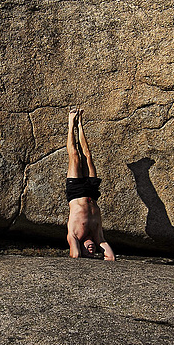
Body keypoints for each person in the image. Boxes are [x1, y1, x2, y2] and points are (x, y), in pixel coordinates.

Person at [65, 108, 116, 260]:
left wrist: (81, 253)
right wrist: (97, 252)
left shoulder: (74, 235)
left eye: (88, 252)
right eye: (93, 253)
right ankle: (80, 124)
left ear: (81, 248)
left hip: (76, 193)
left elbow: (74, 254)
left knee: (74, 156)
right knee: (87, 156)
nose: (91, 250)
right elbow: (111, 257)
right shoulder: (98, 236)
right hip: (92, 193)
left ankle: (70, 124)